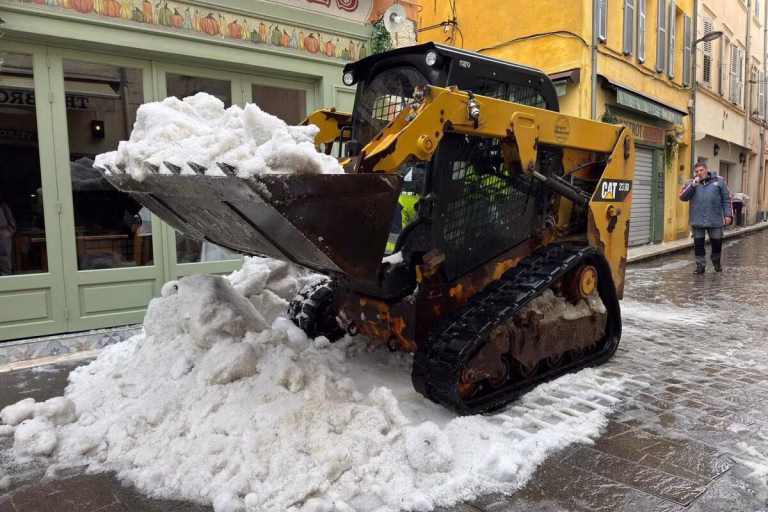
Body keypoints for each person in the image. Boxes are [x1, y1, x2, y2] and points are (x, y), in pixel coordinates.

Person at [679, 163, 733, 273]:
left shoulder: (719, 181)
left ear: (706, 169)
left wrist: (728, 215)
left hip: (715, 219)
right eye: (697, 171)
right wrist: (693, 186)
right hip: (697, 219)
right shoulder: (690, 182)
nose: (699, 173)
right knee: (698, 244)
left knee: (717, 242)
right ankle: (700, 265)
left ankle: (716, 261)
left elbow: (726, 199)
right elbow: (682, 197)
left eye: (701, 170)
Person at [0, 195, 16, 276]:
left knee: (5, 255)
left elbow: (10, 218)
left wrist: (10, 231)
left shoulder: (3, 205)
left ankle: (6, 276)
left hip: (3, 233)